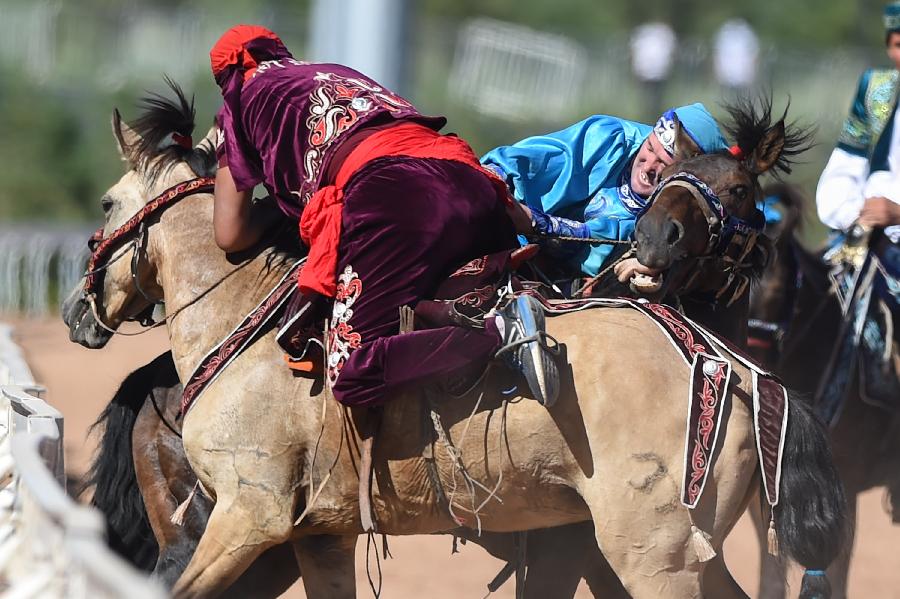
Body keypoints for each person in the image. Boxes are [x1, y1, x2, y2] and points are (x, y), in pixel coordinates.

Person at [209, 25, 559, 407]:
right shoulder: (334, 70)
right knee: (422, 300)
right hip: (471, 181)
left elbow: (230, 233)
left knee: (352, 374)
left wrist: (276, 211)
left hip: (396, 196)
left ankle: (498, 336)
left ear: (225, 79)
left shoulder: (239, 102)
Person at [480, 103, 729, 282]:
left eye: (663, 165)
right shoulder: (607, 136)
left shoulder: (674, 212)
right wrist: (495, 178)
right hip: (503, 231)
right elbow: (531, 159)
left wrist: (537, 223)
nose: (649, 166)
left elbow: (601, 237)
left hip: (566, 285)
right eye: (650, 148)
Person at [816, 1, 900, 251]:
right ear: (888, 48)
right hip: (867, 232)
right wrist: (855, 212)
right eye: (899, 45)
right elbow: (843, 170)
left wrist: (896, 213)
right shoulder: (876, 90)